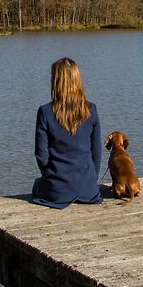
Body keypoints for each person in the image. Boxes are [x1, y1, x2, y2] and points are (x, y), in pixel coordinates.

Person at [31, 57, 103, 208]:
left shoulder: (45, 112)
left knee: (37, 185)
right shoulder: (92, 110)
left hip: (57, 191)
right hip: (89, 190)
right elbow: (96, 153)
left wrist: (50, 176)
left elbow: (41, 155)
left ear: (56, 81)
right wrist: (91, 180)